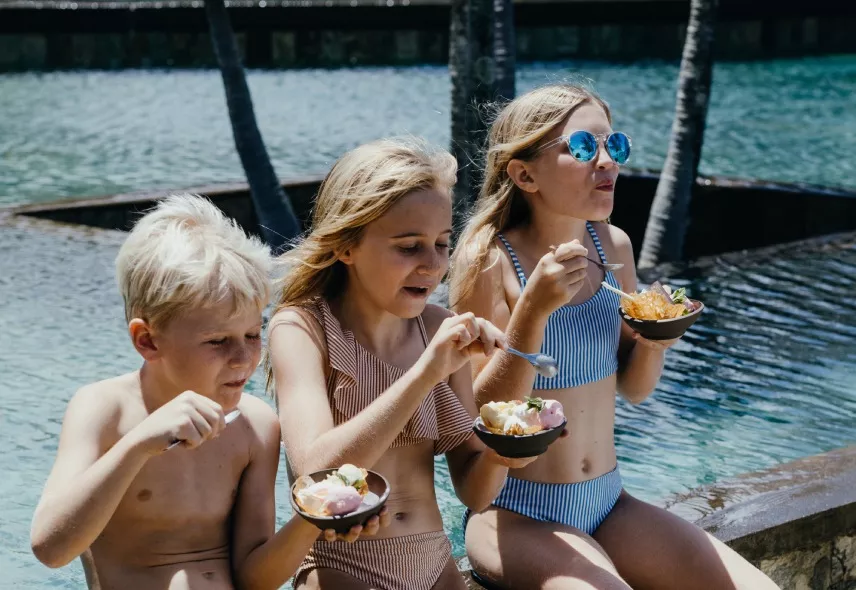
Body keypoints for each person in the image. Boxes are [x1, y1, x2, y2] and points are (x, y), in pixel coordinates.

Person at [450, 84, 780, 590]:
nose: (607, 162)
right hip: (515, 513)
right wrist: (533, 311)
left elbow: (634, 388)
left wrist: (654, 339)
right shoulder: (489, 260)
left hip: (608, 501)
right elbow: (477, 414)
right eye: (584, 147)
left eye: (615, 145)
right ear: (524, 174)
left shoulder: (613, 247)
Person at [30, 194, 381, 590]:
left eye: (253, 334)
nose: (243, 358)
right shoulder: (105, 410)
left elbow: (255, 579)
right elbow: (50, 549)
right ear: (147, 341)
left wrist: (315, 517)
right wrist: (138, 444)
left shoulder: (255, 427)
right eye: (217, 341)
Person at [267, 138, 537, 590]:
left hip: (434, 561)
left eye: (442, 243)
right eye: (409, 247)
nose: (432, 265)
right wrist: (425, 373)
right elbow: (316, 471)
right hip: (339, 566)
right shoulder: (301, 329)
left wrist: (502, 452)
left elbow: (475, 493)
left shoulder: (438, 329)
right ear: (346, 246)